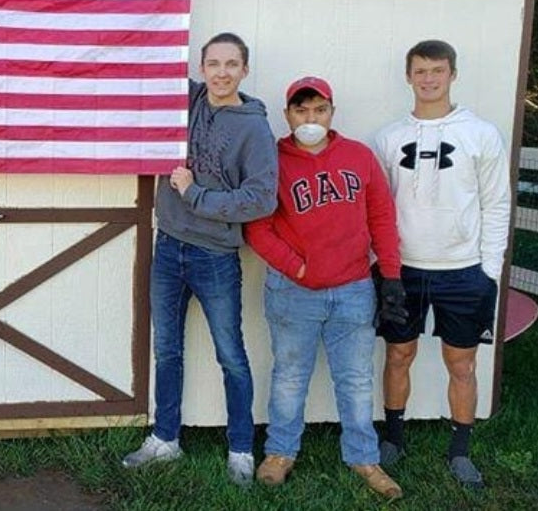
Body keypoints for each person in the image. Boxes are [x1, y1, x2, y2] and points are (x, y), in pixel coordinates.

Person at [121, 32, 278, 485]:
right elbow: (147, 63)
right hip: (169, 246)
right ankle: (165, 438)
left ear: (244, 70)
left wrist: (195, 195)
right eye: (213, 64)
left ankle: (241, 448)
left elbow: (261, 199)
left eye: (231, 64)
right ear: (202, 67)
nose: (221, 73)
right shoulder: (187, 102)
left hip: (215, 255)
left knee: (231, 355)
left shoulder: (254, 128)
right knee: (166, 349)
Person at [244, 77, 404, 498]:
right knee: (289, 375)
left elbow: (381, 217)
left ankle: (363, 457)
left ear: (332, 112)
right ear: (287, 115)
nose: (310, 118)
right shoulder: (271, 160)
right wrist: (296, 267)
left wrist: (391, 275)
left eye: (319, 109)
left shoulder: (359, 156)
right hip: (292, 291)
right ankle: (280, 452)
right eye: (301, 110)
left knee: (356, 379)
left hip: (353, 288)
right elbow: (257, 228)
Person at [373, 40, 511, 490]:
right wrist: (383, 264)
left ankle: (460, 450)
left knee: (462, 363)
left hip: (464, 269)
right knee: (398, 354)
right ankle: (393, 438)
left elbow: (497, 203)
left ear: (453, 74)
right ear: (408, 76)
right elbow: (378, 208)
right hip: (403, 268)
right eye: (420, 71)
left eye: (437, 70)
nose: (428, 79)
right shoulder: (389, 137)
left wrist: (489, 269)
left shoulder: (481, 134)